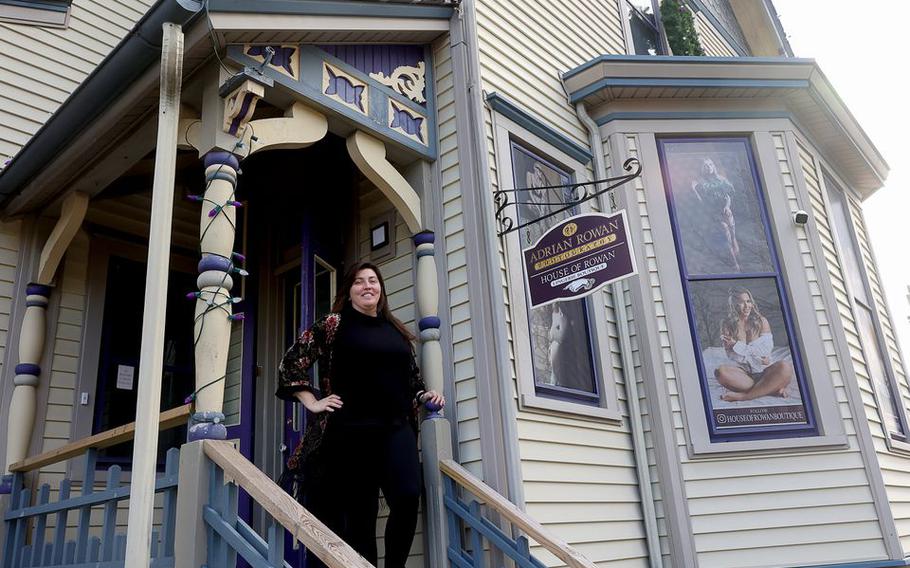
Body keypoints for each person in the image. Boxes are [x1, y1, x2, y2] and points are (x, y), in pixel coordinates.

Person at [276, 262, 445, 568]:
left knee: (407, 497)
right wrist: (312, 401)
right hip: (351, 434)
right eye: (359, 282)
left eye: (373, 281)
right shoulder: (333, 324)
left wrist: (425, 395)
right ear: (349, 291)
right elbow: (292, 362)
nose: (367, 286)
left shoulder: (396, 331)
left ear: (381, 288)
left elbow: (412, 379)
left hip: (395, 429)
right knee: (360, 520)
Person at [715, 287, 793, 401]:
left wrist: (736, 345)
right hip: (744, 375)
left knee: (785, 367)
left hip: (766, 372)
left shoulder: (761, 321)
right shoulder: (727, 325)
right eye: (741, 302)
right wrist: (755, 356)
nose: (747, 306)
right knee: (720, 372)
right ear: (734, 305)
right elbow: (732, 356)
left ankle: (745, 396)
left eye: (748, 301)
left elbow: (765, 351)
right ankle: (770, 388)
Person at [691, 157, 740, 272]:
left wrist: (727, 206)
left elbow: (728, 196)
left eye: (710, 164)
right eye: (705, 166)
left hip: (724, 208)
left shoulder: (721, 179)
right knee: (724, 229)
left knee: (729, 225)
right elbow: (700, 202)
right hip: (711, 212)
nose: (708, 167)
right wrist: (693, 190)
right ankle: (735, 263)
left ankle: (734, 239)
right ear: (701, 169)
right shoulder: (700, 183)